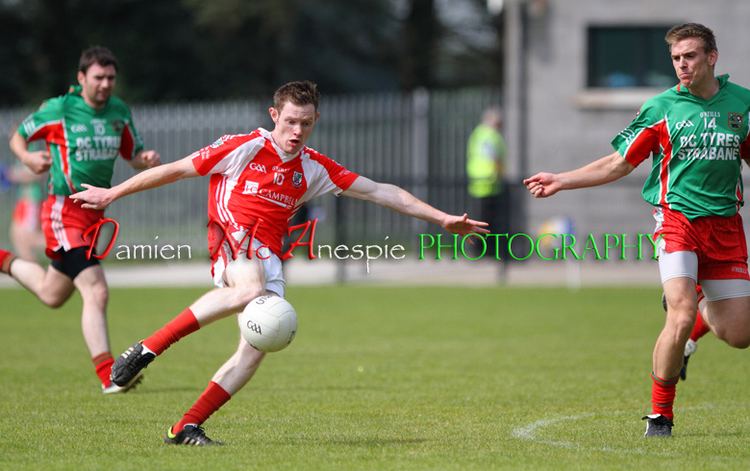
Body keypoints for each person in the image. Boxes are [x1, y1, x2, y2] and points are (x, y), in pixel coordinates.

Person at [71, 80, 488, 446]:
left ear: (315, 120)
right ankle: (147, 349)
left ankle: (186, 426)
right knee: (249, 289)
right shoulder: (244, 146)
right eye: (290, 121)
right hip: (230, 238)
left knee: (257, 347)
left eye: (306, 123)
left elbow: (383, 192)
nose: (297, 131)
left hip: (270, 257)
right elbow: (176, 170)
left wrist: (442, 218)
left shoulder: (314, 167)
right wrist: (111, 195)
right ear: (275, 115)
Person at [523, 23, 750, 437]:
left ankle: (695, 323)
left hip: (727, 228)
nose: (682, 64)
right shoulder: (661, 107)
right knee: (678, 314)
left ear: (711, 57)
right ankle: (660, 416)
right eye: (676, 58)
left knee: (739, 335)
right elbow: (619, 162)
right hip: (677, 221)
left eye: (691, 56)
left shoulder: (742, 105)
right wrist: (561, 179)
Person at [0, 46, 161, 394]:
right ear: (81, 78)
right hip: (62, 211)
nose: (105, 84)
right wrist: (27, 157)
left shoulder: (119, 112)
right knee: (96, 289)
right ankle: (110, 376)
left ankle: (2, 260)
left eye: (110, 78)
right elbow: (18, 135)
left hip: (93, 216)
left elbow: (132, 156)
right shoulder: (60, 108)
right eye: (98, 77)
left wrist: (144, 159)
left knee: (51, 294)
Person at [466, 107, 508, 259]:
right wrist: (501, 174)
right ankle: (486, 252)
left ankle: (477, 251)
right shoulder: (492, 136)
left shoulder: (477, 133)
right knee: (489, 221)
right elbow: (495, 158)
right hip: (491, 182)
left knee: (478, 219)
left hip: (477, 181)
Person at [1, 164, 46, 260]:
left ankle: (64, 248)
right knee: (15, 234)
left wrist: (11, 175)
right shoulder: (23, 150)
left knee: (28, 238)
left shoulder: (33, 149)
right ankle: (31, 269)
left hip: (31, 199)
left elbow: (39, 174)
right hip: (22, 199)